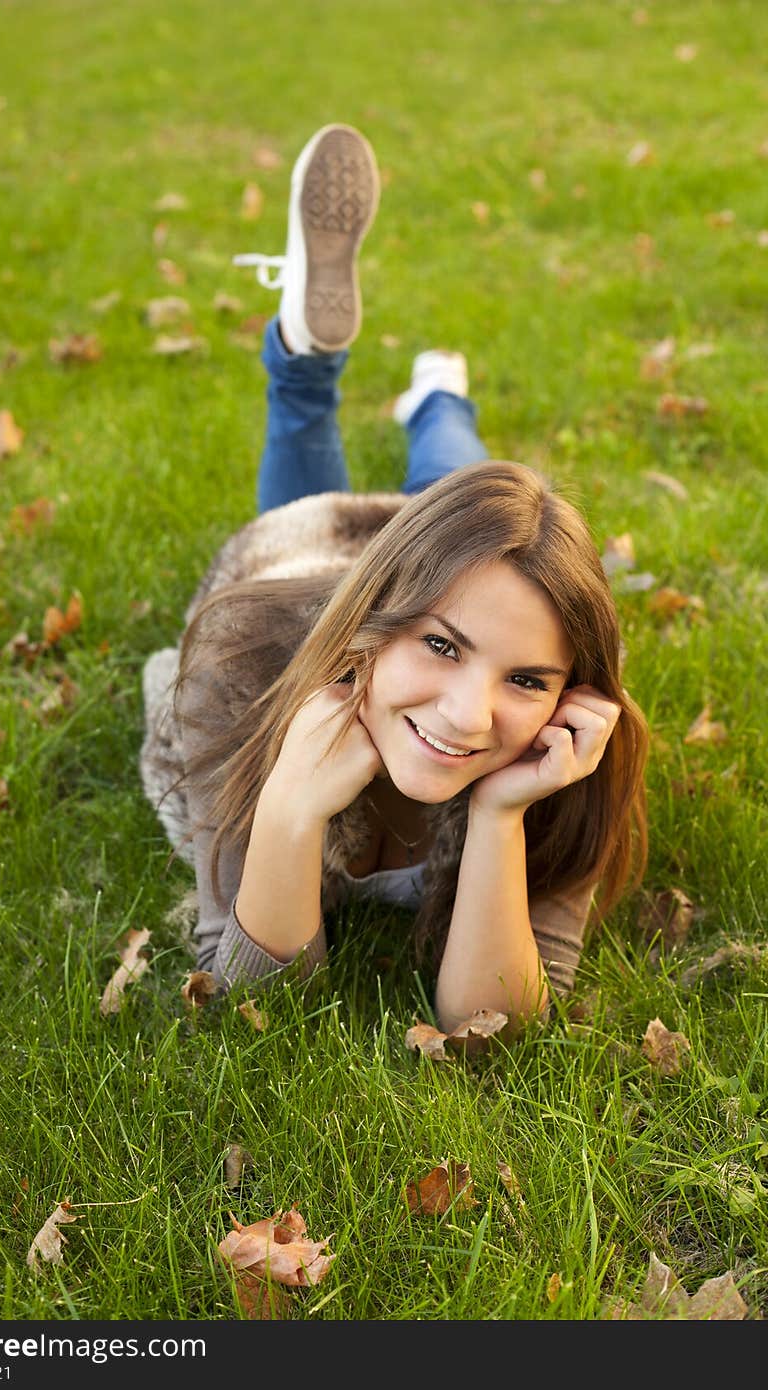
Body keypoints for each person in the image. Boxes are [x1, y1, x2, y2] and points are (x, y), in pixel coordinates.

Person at [140, 123, 649, 1036]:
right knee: (378, 491)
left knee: (473, 512)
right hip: (299, 568)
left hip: (442, 571)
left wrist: (499, 817)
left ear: (567, 691)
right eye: (442, 650)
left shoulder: (566, 756)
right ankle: (309, 363)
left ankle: (438, 395)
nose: (467, 714)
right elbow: (259, 1005)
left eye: (526, 679)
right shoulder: (243, 669)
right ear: (379, 624)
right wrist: (291, 805)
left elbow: (502, 1025)